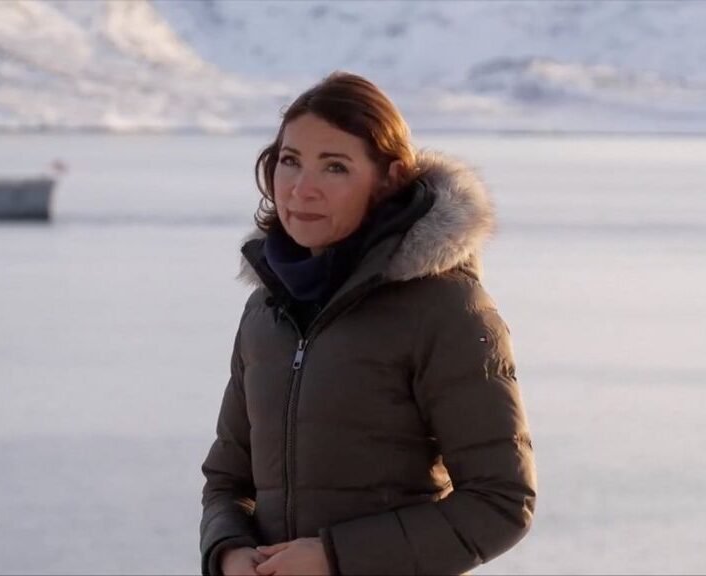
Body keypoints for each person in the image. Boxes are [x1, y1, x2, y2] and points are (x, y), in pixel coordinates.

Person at [199, 71, 537, 576]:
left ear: (389, 178)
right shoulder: (267, 310)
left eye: (334, 167)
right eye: (290, 161)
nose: (302, 189)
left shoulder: (444, 308)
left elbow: (501, 501)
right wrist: (228, 551)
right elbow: (228, 480)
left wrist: (334, 558)